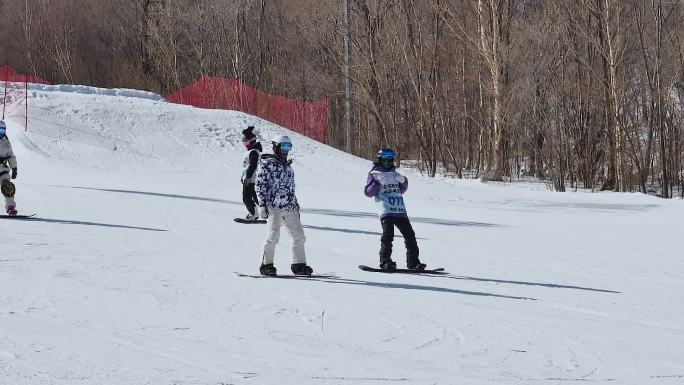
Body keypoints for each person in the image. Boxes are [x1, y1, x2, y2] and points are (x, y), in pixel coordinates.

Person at [255, 135, 313, 276]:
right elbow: (260, 184)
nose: (286, 150)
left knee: (299, 236)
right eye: (284, 146)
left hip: (289, 206)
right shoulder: (266, 164)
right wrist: (262, 204)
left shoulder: (288, 166)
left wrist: (296, 206)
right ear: (276, 146)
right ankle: (266, 265)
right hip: (272, 205)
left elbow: (291, 188)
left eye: (289, 147)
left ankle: (298, 265)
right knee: (273, 236)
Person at [364, 148, 425, 270]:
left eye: (389, 159)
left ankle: (413, 262)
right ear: (380, 159)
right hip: (386, 210)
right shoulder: (374, 174)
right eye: (384, 159)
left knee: (410, 236)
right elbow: (368, 192)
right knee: (388, 236)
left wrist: (404, 182)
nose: (387, 161)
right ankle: (385, 261)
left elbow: (401, 190)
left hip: (400, 211)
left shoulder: (395, 174)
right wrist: (377, 183)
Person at [240, 126, 263, 221]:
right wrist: (243, 176)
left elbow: (253, 166)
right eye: (243, 141)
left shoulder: (253, 152)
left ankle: (253, 214)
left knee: (246, 198)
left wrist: (248, 177)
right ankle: (273, 216)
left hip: (251, 180)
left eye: (246, 141)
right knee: (256, 198)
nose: (244, 144)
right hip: (251, 179)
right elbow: (246, 166)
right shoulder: (251, 152)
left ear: (252, 140)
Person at [0, 120, 18, 216]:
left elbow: (11, 156)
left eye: (2, 131)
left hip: (2, 170)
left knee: (8, 187)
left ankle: (11, 207)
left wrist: (14, 168)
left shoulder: (6, 142)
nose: (1, 133)